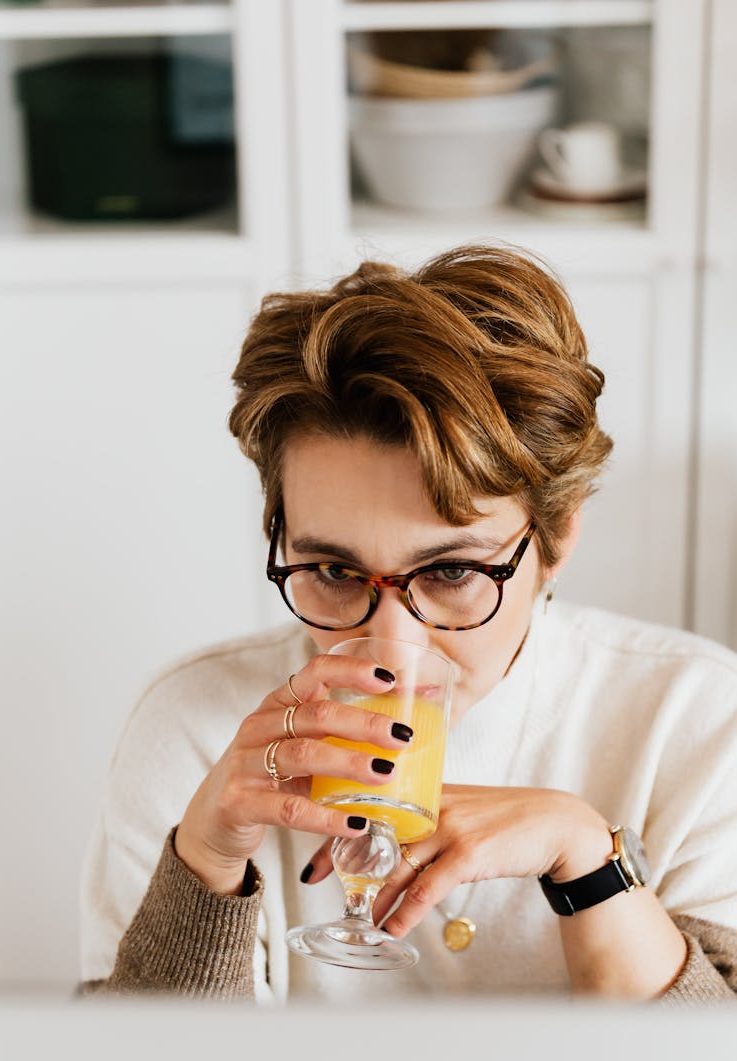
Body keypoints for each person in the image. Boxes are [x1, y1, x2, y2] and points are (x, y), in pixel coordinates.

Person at [81, 244, 737, 1003]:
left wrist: (590, 862)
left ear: (556, 537)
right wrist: (204, 863)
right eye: (332, 570)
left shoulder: (696, 721)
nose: (393, 648)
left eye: (452, 572)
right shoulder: (195, 727)